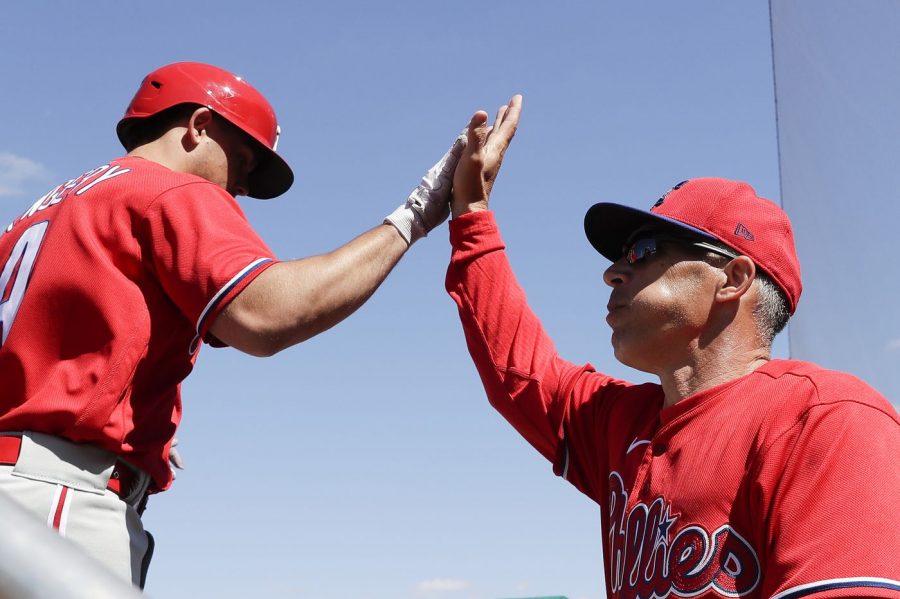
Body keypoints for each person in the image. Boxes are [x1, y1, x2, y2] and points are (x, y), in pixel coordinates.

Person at [0, 61, 463, 588]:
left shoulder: (41, 211)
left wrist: (115, 408)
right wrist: (414, 218)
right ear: (198, 126)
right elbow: (267, 316)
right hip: (59, 499)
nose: (240, 189)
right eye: (242, 162)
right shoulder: (171, 191)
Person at [446, 97, 900, 598]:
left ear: (733, 277)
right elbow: (519, 371)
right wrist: (472, 216)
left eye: (644, 251)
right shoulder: (622, 424)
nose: (613, 271)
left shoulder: (825, 421)